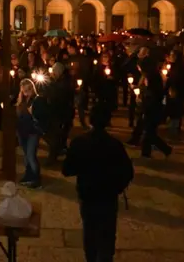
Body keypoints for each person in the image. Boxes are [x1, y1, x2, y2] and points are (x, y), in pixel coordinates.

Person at [62, 105, 134, 262]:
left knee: (90, 230)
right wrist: (117, 187)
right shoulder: (115, 145)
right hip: (108, 196)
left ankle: (91, 258)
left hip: (88, 194)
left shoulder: (79, 142)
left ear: (90, 120)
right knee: (107, 233)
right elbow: (128, 172)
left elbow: (67, 169)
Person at [15, 79, 43, 188]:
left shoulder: (37, 100)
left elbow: (40, 116)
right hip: (22, 131)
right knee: (26, 156)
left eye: (28, 89)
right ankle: (28, 175)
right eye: (24, 90)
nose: (26, 92)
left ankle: (37, 178)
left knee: (31, 155)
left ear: (32, 88)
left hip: (32, 132)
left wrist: (33, 113)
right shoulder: (21, 100)